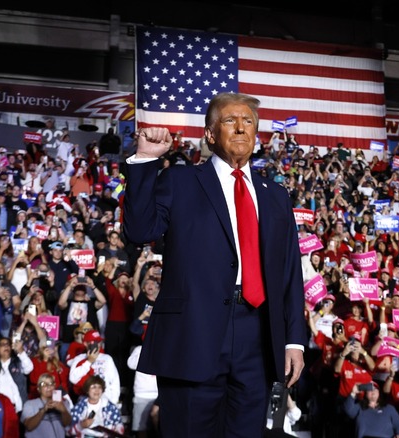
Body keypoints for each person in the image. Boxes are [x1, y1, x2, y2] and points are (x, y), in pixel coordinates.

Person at [122, 92, 305, 437]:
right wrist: (145, 160)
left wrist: (293, 340)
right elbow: (139, 230)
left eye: (248, 121)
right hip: (193, 334)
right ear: (209, 134)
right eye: (229, 120)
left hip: (258, 337)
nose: (240, 128)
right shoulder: (180, 180)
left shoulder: (275, 195)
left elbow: (289, 273)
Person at [21, 372, 73, 438]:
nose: (48, 387)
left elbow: (67, 425)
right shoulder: (29, 404)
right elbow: (29, 426)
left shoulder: (64, 403)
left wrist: (63, 411)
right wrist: (43, 410)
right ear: (38, 388)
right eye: (44, 384)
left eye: (51, 384)